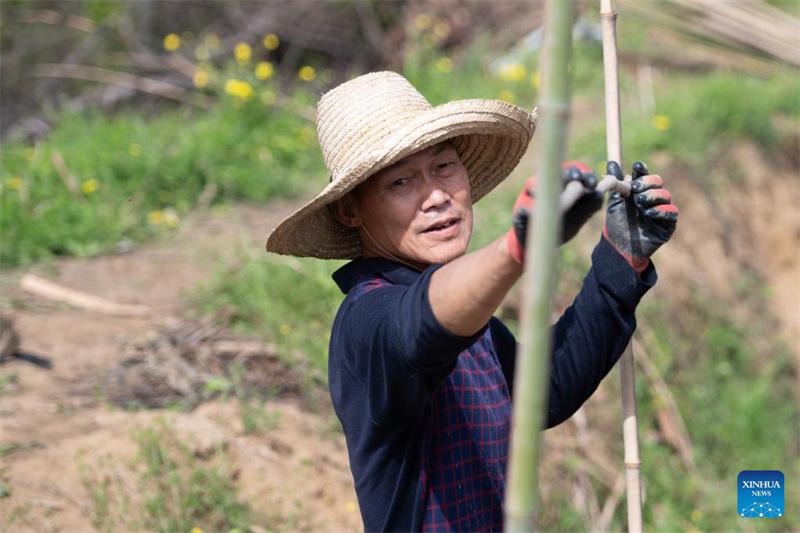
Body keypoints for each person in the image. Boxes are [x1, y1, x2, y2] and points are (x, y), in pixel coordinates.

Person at [266, 71, 678, 532]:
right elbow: (422, 324)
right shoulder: (367, 320)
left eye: (444, 167)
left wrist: (621, 260)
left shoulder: (471, 320)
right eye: (400, 183)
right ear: (350, 211)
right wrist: (518, 250)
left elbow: (543, 389)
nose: (437, 196)